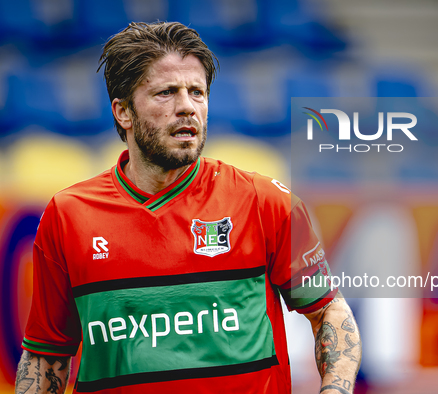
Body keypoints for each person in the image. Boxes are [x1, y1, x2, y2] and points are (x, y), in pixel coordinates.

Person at [14, 21, 361, 394]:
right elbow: (45, 355)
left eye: (197, 92)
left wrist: (335, 390)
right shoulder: (69, 215)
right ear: (123, 112)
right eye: (166, 93)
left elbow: (329, 312)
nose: (187, 107)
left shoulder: (266, 202)